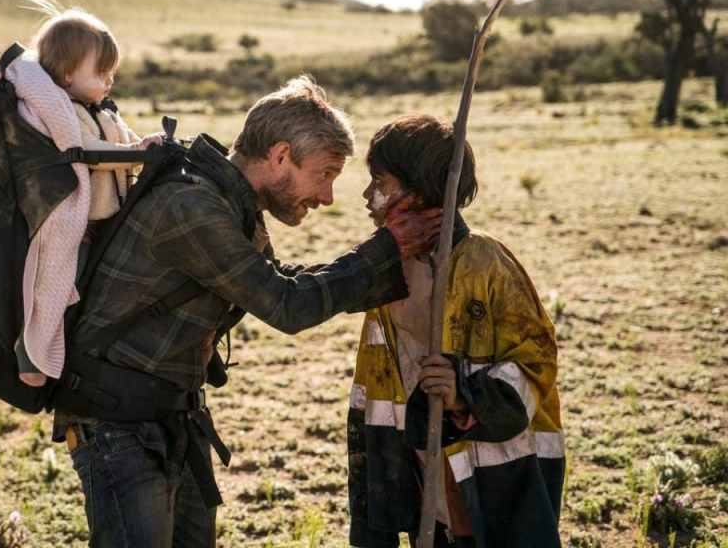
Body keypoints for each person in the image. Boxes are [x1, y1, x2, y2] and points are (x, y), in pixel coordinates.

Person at [55, 76, 442, 547]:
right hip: (118, 425)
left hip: (168, 417)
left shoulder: (231, 204)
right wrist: (387, 247)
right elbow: (285, 304)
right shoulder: (192, 205)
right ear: (280, 156)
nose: (327, 197)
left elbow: (284, 281)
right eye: (325, 174)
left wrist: (391, 265)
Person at [347, 114, 564, 548]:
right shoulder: (386, 268)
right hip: (411, 456)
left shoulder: (486, 263)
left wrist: (464, 393)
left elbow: (536, 359)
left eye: (380, 182)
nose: (368, 196)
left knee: (472, 531)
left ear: (423, 193)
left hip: (486, 462)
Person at [0, 0, 163, 388]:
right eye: (101, 73)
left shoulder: (103, 110)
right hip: (73, 223)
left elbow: (122, 141)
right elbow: (86, 153)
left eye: (112, 73)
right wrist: (136, 156)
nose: (109, 81)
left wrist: (143, 146)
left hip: (105, 218)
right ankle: (30, 353)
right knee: (58, 285)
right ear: (65, 76)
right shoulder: (62, 113)